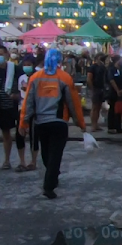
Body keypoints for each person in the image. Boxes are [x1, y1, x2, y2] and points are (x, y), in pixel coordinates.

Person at [20, 50, 86, 199]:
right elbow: (73, 103)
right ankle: (50, 184)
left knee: (46, 152)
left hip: (41, 123)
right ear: (60, 61)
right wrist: (80, 122)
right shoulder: (65, 78)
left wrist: (24, 122)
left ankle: (51, 176)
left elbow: (28, 102)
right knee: (55, 154)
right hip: (59, 122)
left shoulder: (35, 78)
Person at [15, 55, 39, 171]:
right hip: (22, 108)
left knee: (34, 136)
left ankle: (33, 161)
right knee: (19, 134)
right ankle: (22, 161)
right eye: (24, 65)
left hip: (34, 109)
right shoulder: (22, 78)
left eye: (29, 65)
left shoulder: (37, 77)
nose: (26, 67)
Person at [88, 54, 108, 132]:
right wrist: (92, 89)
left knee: (99, 107)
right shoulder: (93, 67)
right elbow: (89, 78)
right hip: (96, 88)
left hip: (101, 88)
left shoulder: (103, 67)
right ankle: (93, 125)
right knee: (94, 107)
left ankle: (96, 124)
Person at [108, 56, 122, 133]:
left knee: (119, 109)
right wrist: (117, 90)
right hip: (113, 92)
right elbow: (111, 80)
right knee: (112, 109)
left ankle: (118, 127)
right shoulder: (111, 69)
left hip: (121, 91)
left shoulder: (121, 69)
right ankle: (111, 127)